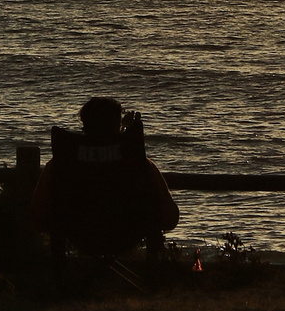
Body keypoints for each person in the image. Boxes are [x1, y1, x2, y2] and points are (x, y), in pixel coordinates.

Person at [31, 96, 179, 255]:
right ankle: (152, 278)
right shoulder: (137, 162)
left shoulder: (62, 162)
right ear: (117, 126)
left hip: (78, 233)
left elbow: (37, 215)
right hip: (127, 233)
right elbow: (170, 216)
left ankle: (65, 278)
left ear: (85, 127)